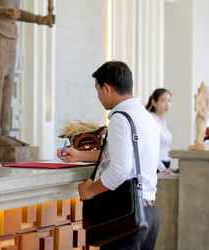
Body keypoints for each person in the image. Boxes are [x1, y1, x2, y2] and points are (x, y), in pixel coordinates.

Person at [57, 61, 160, 250]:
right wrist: (79, 155)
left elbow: (119, 170)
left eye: (97, 90)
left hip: (126, 214)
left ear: (107, 88)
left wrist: (90, 190)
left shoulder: (120, 118)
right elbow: (123, 154)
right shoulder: (145, 116)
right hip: (149, 212)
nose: (98, 97)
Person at [0, 0, 54, 138]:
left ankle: (4, 131)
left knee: (8, 84)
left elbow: (15, 12)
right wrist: (3, 12)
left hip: (10, 34)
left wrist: (40, 19)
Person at [146, 88, 173, 173]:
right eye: (163, 101)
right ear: (154, 102)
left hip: (165, 164)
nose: (167, 104)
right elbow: (149, 148)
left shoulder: (162, 120)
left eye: (169, 101)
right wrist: (162, 168)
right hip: (156, 166)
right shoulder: (150, 119)